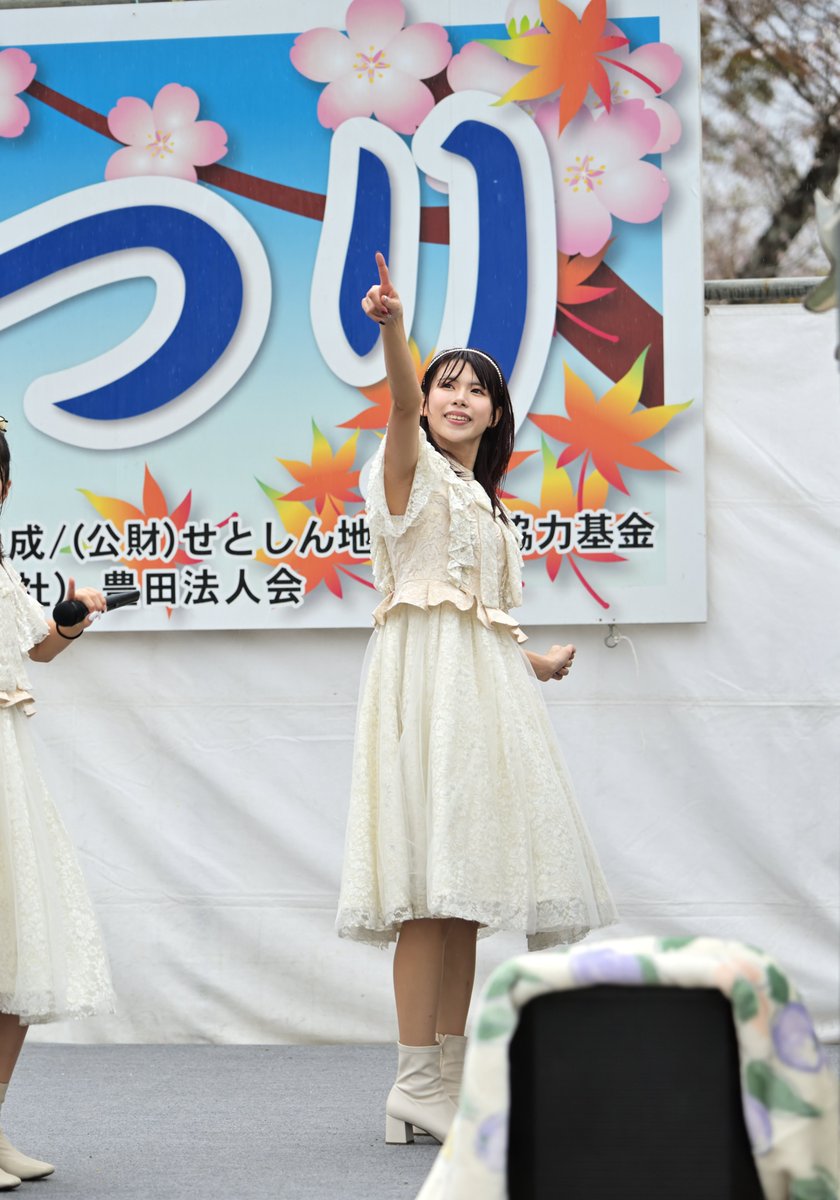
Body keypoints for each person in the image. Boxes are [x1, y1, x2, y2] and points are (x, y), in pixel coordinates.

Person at [336, 255, 618, 1145]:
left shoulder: (485, 504)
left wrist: (533, 662)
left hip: (478, 703)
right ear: (424, 403)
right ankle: (414, 1078)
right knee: (428, 893)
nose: (457, 398)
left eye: (476, 390)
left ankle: (446, 1079)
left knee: (460, 897)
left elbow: (471, 617)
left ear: (497, 415)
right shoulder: (407, 468)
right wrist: (394, 331)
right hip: (423, 699)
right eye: (444, 385)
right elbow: (395, 406)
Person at [0, 416, 115, 1190]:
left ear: (4, 488)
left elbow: (35, 647)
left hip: (9, 763)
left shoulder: (2, 566)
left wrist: (70, 623)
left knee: (18, 949)